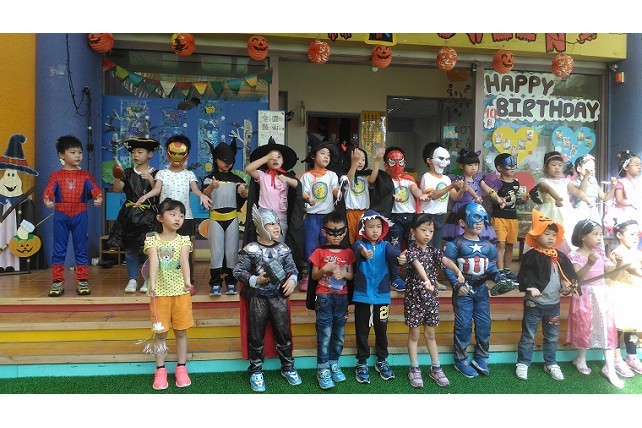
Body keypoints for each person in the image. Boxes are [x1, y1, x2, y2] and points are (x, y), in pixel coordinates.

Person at [233, 205, 301, 392]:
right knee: (256, 335)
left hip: (278, 297)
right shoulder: (251, 249)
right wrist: (255, 280)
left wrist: (293, 280)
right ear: (259, 228)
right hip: (257, 298)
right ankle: (255, 370)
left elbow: (292, 269)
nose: (276, 227)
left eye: (277, 223)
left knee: (283, 333)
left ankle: (288, 366)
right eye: (270, 224)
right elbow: (238, 271)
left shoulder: (283, 249)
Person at [443, 203, 510, 378]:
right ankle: (460, 359)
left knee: (484, 323)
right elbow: (447, 267)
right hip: (463, 291)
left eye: (483, 219)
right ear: (462, 222)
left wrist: (499, 278)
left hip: (481, 290)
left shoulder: (489, 246)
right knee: (463, 324)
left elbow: (491, 267)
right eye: (475, 218)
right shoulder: (454, 244)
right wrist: (457, 285)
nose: (480, 222)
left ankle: (481, 356)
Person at [135, 134, 213, 286]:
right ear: (167, 154)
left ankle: (187, 282)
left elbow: (195, 190)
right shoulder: (162, 173)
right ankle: (162, 281)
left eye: (181, 154)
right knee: (163, 249)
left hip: (185, 218)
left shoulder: (189, 174)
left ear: (187, 155)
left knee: (185, 251)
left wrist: (202, 195)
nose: (177, 157)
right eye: (173, 153)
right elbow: (157, 189)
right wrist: (145, 196)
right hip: (165, 218)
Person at [515, 209, 577, 382]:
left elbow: (565, 275)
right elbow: (524, 275)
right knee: (528, 335)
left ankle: (551, 363)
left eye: (554, 235)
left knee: (552, 336)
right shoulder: (531, 256)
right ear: (536, 236)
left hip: (553, 304)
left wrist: (566, 285)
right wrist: (530, 287)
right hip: (534, 304)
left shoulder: (560, 256)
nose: (551, 238)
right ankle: (523, 362)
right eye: (546, 233)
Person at [404, 213, 464, 388]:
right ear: (413, 231)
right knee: (414, 335)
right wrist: (427, 280)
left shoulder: (433, 251)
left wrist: (457, 271)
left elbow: (446, 261)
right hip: (415, 299)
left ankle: (436, 367)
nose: (427, 234)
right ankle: (414, 368)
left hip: (431, 300)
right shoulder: (411, 251)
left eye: (430, 231)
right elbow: (418, 265)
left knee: (431, 334)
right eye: (423, 230)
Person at [143, 198, 194, 390]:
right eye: (172, 214)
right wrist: (152, 284)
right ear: (160, 218)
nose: (178, 218)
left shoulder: (184, 240)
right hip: (160, 295)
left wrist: (188, 281)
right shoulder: (152, 239)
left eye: (181, 215)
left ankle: (181, 368)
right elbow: (154, 261)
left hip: (181, 293)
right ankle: (160, 370)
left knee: (181, 331)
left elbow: (184, 260)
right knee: (160, 334)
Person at [566, 219, 623, 388]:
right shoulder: (574, 255)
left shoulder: (600, 253)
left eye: (600, 234)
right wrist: (589, 263)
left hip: (602, 296)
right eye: (595, 234)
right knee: (584, 327)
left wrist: (619, 264)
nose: (599, 238)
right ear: (582, 236)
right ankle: (580, 359)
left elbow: (612, 276)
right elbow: (577, 278)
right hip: (584, 296)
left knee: (607, 329)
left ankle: (610, 369)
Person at [43, 135, 102, 297]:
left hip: (80, 215)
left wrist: (98, 198)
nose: (78, 156)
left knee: (81, 248)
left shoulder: (86, 176)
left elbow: (95, 189)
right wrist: (47, 199)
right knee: (59, 249)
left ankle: (82, 280)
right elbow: (49, 190)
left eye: (80, 152)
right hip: (60, 216)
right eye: (73, 152)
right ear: (62, 155)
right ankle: (57, 282)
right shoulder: (56, 175)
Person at [352, 209, 405, 383]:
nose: (375, 230)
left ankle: (381, 360)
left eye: (378, 226)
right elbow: (355, 253)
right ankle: (361, 362)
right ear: (363, 228)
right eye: (370, 227)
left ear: (383, 228)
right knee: (362, 330)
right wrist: (362, 254)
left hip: (382, 296)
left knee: (382, 330)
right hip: (362, 296)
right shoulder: (358, 245)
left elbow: (393, 254)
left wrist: (400, 257)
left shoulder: (386, 245)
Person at [305, 210, 355, 390]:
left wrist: (343, 274)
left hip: (342, 298)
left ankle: (334, 363)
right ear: (324, 232)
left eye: (340, 232)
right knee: (325, 334)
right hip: (324, 297)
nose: (336, 236)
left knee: (339, 334)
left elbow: (351, 275)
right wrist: (324, 269)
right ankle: (323, 368)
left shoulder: (348, 252)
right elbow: (314, 275)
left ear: (345, 232)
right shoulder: (319, 251)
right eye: (332, 232)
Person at [244, 137, 305, 280]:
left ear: (283, 161)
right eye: (272, 157)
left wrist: (287, 179)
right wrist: (266, 157)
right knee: (263, 249)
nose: (275, 159)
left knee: (279, 250)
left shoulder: (287, 177)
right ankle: (263, 276)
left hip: (280, 220)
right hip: (264, 221)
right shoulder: (262, 176)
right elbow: (248, 169)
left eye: (279, 156)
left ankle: (278, 278)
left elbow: (297, 185)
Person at [108, 137, 160, 293]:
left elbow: (159, 192)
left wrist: (150, 179)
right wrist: (117, 176)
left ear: (150, 154)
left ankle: (148, 278)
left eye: (139, 152)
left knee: (150, 249)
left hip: (149, 215)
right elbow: (117, 189)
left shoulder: (157, 173)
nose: (135, 155)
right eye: (133, 153)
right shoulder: (128, 172)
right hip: (130, 214)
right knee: (130, 249)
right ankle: (132, 279)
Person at [202, 137, 247, 296]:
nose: (228, 163)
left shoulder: (237, 180)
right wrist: (211, 187)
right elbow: (205, 195)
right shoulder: (209, 179)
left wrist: (243, 191)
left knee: (232, 251)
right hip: (215, 218)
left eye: (231, 160)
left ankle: (231, 282)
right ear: (216, 159)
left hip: (232, 218)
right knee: (216, 252)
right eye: (224, 159)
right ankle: (215, 283)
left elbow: (244, 196)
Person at [298, 137, 340, 292]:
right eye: (322, 153)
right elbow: (302, 193)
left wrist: (338, 192)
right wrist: (307, 199)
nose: (326, 157)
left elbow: (335, 189)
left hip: (328, 217)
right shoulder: (306, 176)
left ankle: (327, 275)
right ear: (313, 156)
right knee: (309, 246)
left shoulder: (332, 175)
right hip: (311, 216)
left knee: (328, 246)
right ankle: (307, 275)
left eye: (328, 155)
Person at [383, 146, 423, 292]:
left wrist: (420, 194)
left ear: (404, 163)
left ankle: (414, 276)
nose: (397, 165)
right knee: (395, 248)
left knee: (413, 247)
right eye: (392, 162)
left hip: (411, 217)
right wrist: (392, 196)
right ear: (386, 165)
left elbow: (414, 189)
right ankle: (395, 277)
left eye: (400, 162)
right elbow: (384, 194)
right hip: (394, 218)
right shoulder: (385, 180)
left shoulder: (409, 179)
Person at [605, 219, 642, 377]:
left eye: (637, 234)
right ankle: (617, 359)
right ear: (620, 235)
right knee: (618, 327)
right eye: (631, 234)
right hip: (620, 293)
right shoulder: (617, 253)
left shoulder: (638, 253)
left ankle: (632, 357)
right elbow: (632, 269)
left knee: (632, 326)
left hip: (635, 292)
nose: (636, 237)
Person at [483, 153, 528, 279]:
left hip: (512, 218)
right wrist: (498, 199)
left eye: (514, 165)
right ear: (499, 168)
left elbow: (516, 201)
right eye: (509, 165)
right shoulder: (496, 183)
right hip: (499, 217)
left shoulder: (516, 183)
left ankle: (507, 270)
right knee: (500, 244)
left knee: (510, 245)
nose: (512, 168)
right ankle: (500, 270)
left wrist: (523, 200)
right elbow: (492, 198)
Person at [533, 151, 588, 251]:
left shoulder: (565, 181)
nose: (557, 168)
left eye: (560, 165)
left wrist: (586, 178)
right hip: (548, 212)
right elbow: (549, 189)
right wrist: (557, 198)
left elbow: (579, 192)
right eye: (554, 165)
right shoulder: (542, 181)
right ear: (546, 167)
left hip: (565, 212)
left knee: (567, 234)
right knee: (548, 234)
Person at [443, 149, 498, 244]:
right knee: (461, 236)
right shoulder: (459, 179)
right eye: (470, 165)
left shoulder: (478, 180)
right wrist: (475, 196)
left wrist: (499, 199)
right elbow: (465, 189)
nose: (473, 168)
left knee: (476, 235)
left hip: (475, 210)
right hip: (462, 210)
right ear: (462, 166)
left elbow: (489, 190)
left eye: (476, 165)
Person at [419, 142, 462, 250]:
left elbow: (455, 197)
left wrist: (462, 190)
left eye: (446, 159)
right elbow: (433, 195)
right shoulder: (427, 177)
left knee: (437, 247)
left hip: (440, 216)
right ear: (429, 160)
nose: (444, 162)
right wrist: (451, 186)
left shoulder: (446, 179)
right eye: (441, 158)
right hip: (427, 216)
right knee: (427, 246)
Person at [339, 146, 384, 244]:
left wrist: (377, 162)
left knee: (362, 238)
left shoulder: (365, 176)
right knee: (349, 238)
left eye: (363, 160)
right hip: (350, 212)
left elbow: (372, 179)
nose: (360, 162)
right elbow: (349, 179)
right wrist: (353, 164)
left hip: (364, 212)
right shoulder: (344, 176)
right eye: (357, 159)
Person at [568, 154, 616, 225]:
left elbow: (605, 197)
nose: (592, 170)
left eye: (593, 168)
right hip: (581, 212)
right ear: (579, 168)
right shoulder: (574, 183)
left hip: (593, 212)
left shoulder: (594, 183)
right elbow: (581, 192)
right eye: (589, 168)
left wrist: (613, 188)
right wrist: (586, 176)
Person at [603, 151, 642, 237]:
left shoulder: (639, 182)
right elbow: (619, 200)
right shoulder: (621, 182)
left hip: (637, 211)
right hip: (625, 213)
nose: (639, 167)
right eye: (636, 165)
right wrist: (634, 202)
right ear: (626, 167)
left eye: (640, 165)